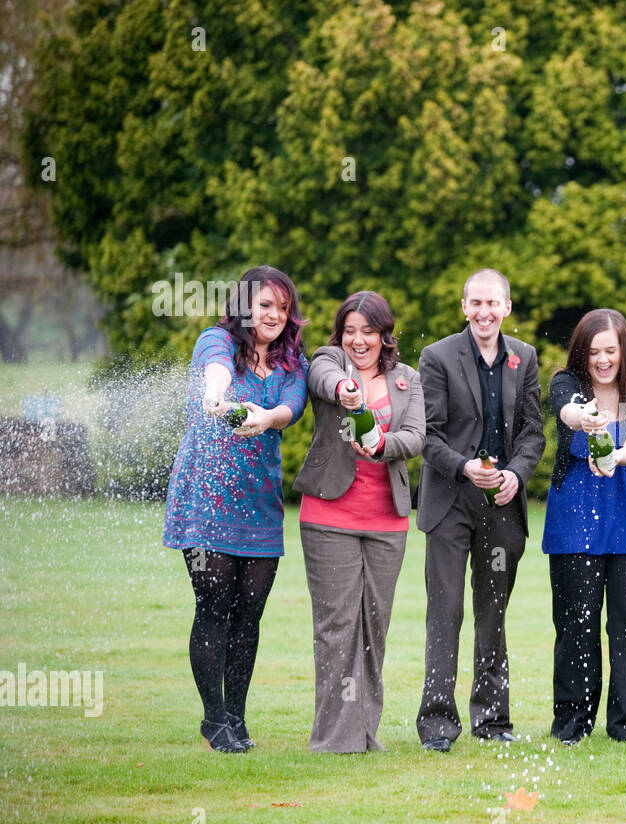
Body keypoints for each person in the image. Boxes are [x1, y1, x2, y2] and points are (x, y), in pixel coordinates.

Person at [162, 265, 308, 753]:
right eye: (266, 305)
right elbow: (216, 371)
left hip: (260, 504)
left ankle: (237, 719)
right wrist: (214, 397)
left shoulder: (291, 362)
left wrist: (266, 417)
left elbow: (292, 406)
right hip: (206, 500)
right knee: (214, 607)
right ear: (245, 304)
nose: (274, 316)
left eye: (283, 308)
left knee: (250, 614)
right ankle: (213, 720)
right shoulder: (216, 341)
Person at [415, 269, 545, 752]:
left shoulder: (525, 357)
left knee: (494, 613)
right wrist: (466, 467)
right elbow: (427, 433)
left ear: (507, 307)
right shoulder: (437, 356)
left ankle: (492, 721)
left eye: (493, 303)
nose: (484, 311)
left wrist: (516, 474)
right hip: (450, 499)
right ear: (464, 306)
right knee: (444, 612)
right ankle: (437, 726)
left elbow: (533, 430)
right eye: (476, 303)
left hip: (503, 501)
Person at [294, 291, 425, 753]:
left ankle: (366, 732)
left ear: (384, 334)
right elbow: (322, 375)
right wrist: (344, 390)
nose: (358, 340)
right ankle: (334, 738)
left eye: (368, 331)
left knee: (374, 627)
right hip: (330, 517)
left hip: (388, 521)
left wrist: (382, 444)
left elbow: (415, 437)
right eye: (350, 330)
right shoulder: (329, 360)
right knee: (336, 627)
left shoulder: (407, 379)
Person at [542, 309, 626, 744]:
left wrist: (615, 454)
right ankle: (572, 723)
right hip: (575, 512)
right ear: (582, 352)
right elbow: (568, 414)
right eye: (594, 352)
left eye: (610, 350)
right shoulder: (566, 383)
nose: (602, 360)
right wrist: (586, 419)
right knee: (576, 621)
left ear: (623, 348)